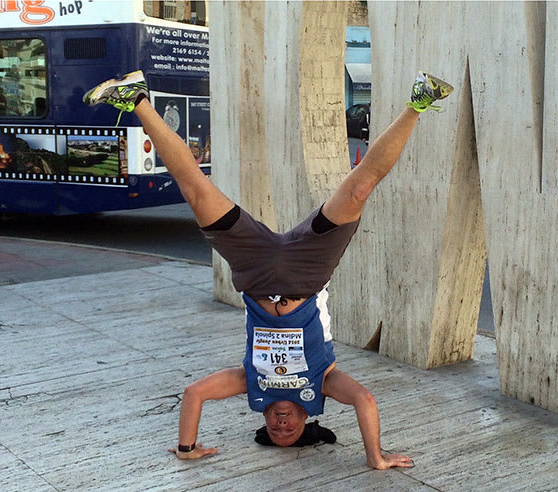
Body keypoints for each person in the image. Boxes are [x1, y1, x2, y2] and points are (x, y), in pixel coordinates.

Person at [82, 69, 453, 469]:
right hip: (307, 273)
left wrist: (188, 449)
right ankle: (419, 101)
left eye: (273, 433)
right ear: (305, 420)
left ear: (262, 419)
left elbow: (194, 393)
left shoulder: (252, 384)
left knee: (194, 189)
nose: (280, 427)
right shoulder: (320, 386)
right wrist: (375, 457)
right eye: (289, 432)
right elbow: (364, 399)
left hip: (255, 270)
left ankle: (136, 98)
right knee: (360, 186)